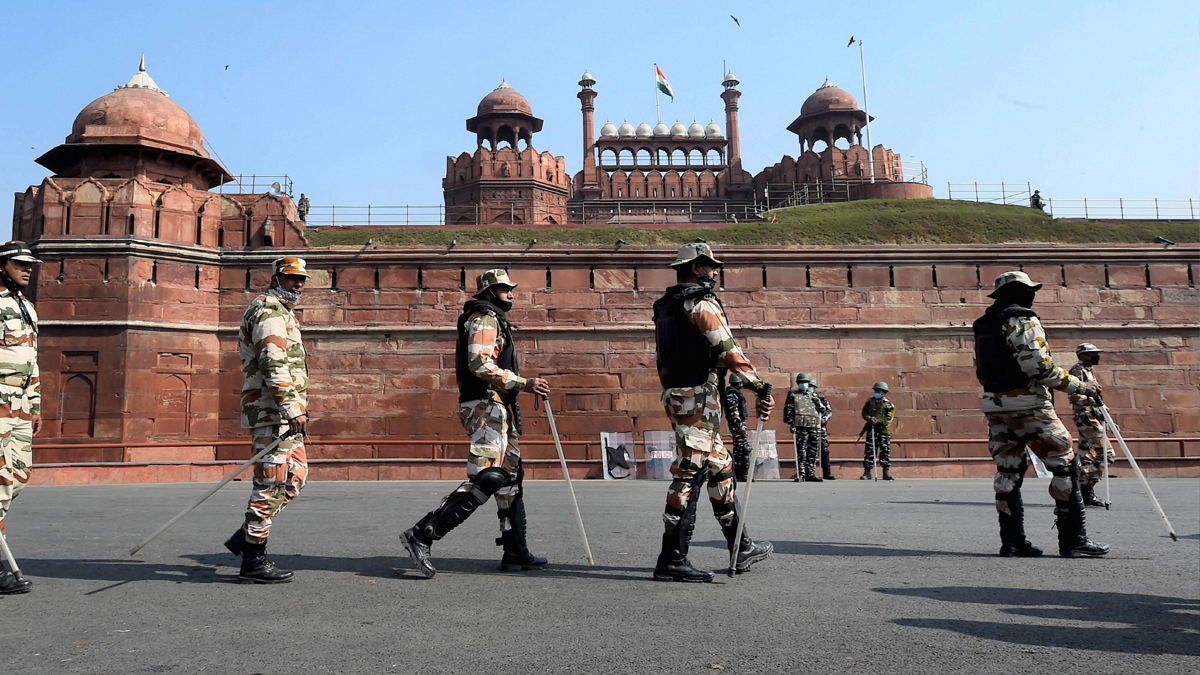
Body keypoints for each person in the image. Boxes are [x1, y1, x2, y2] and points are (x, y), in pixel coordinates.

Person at [402, 270, 551, 578]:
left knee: (510, 480)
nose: (510, 294)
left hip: (498, 406)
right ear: (488, 292)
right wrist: (523, 383)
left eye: (510, 288)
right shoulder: (484, 318)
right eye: (503, 289)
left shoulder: (495, 318)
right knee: (489, 477)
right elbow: (480, 364)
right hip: (485, 406)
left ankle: (515, 550)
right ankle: (422, 533)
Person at [651, 242, 774, 582]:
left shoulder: (665, 306)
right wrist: (758, 385)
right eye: (709, 266)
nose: (714, 272)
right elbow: (726, 348)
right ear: (695, 267)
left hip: (678, 393)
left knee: (721, 466)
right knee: (689, 474)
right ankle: (672, 558)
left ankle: (740, 546)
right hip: (697, 397)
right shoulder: (700, 302)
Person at [973, 270, 1109, 558]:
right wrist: (1080, 386)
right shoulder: (1021, 319)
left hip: (996, 405)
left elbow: (981, 369)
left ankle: (1013, 542)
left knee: (1008, 469)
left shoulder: (984, 323)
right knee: (1065, 466)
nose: (1032, 295)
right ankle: (1073, 539)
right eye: (1028, 290)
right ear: (1018, 293)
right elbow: (1039, 367)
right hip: (1029, 405)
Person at [222, 256, 312, 583]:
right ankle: (253, 560)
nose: (297, 284)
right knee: (271, 483)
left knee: (295, 476)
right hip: (271, 411)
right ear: (276, 278)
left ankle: (247, 535)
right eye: (291, 278)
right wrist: (290, 407)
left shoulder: (283, 311)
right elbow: (272, 362)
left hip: (283, 413)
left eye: (301, 279)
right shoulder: (269, 311)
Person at [0, 241, 41, 595]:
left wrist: (35, 404)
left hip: (20, 403)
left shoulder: (26, 306)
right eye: (19, 264)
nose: (27, 269)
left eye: (29, 264)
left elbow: (32, 359)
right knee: (0, 483)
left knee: (18, 478)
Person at [1069, 343, 1115, 508]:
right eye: (1092, 354)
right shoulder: (1078, 371)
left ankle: (1077, 490)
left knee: (1085, 456)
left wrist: (1103, 410)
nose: (1096, 356)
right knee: (1107, 454)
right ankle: (1086, 488)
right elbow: (1074, 397)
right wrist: (1096, 403)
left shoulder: (1088, 370)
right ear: (1082, 355)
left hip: (1092, 416)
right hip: (1086, 417)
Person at [783, 373, 823, 482]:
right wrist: (791, 424)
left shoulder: (813, 396)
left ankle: (811, 473)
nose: (803, 384)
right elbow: (788, 411)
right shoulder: (793, 395)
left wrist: (818, 403)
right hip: (801, 426)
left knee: (813, 451)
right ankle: (801, 474)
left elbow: (822, 410)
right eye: (801, 382)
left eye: (805, 382)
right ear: (798, 383)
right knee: (801, 451)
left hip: (813, 426)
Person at [860, 382, 895, 480]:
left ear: (884, 392)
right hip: (872, 430)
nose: (877, 392)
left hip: (883, 431)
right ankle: (867, 472)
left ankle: (886, 472)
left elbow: (888, 419)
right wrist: (869, 418)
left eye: (879, 391)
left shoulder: (888, 405)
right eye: (875, 390)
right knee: (869, 451)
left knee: (885, 452)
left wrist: (877, 421)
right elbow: (864, 412)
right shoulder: (870, 402)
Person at [721, 373, 752, 482]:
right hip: (737, 424)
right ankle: (740, 474)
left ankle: (741, 473)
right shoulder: (732, 394)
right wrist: (740, 425)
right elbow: (734, 412)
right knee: (741, 449)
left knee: (741, 449)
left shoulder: (734, 393)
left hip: (738, 423)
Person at [811, 379, 836, 480]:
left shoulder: (821, 398)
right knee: (808, 451)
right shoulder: (803, 398)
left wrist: (824, 418)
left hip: (820, 429)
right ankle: (807, 472)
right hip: (808, 428)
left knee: (824, 451)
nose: (810, 388)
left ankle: (827, 473)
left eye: (812, 386)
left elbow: (829, 411)